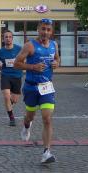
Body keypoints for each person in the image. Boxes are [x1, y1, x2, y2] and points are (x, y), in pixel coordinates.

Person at [14, 18, 59, 164]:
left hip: (47, 87)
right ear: (38, 29)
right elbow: (16, 64)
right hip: (31, 87)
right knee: (30, 116)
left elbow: (57, 59)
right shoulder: (30, 46)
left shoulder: (54, 45)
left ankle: (46, 152)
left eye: (48, 30)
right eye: (43, 29)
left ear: (51, 32)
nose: (45, 32)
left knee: (47, 118)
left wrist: (56, 63)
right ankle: (26, 126)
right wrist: (33, 67)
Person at [0, 30, 23, 126]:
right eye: (6, 37)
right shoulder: (1, 51)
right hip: (5, 75)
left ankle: (9, 105)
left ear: (12, 38)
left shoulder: (19, 49)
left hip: (17, 76)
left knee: (14, 100)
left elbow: (25, 58)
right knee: (6, 96)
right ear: (3, 39)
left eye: (10, 37)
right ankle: (11, 118)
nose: (8, 39)